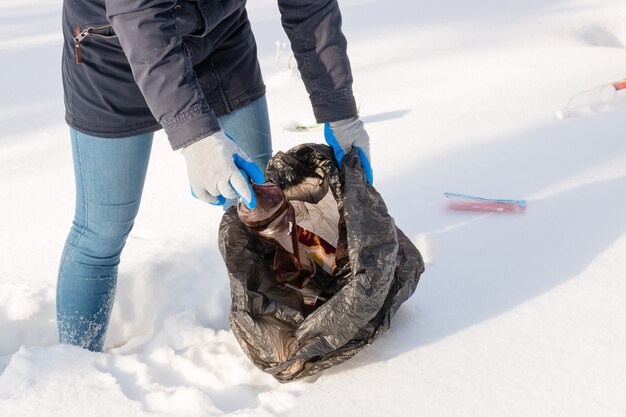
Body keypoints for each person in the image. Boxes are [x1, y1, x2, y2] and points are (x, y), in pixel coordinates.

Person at [57, 0, 372, 352]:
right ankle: (75, 367)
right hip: (113, 49)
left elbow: (308, 6)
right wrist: (198, 138)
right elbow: (140, 17)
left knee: (262, 206)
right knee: (102, 229)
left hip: (218, 37)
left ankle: (286, 339)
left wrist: (340, 109)